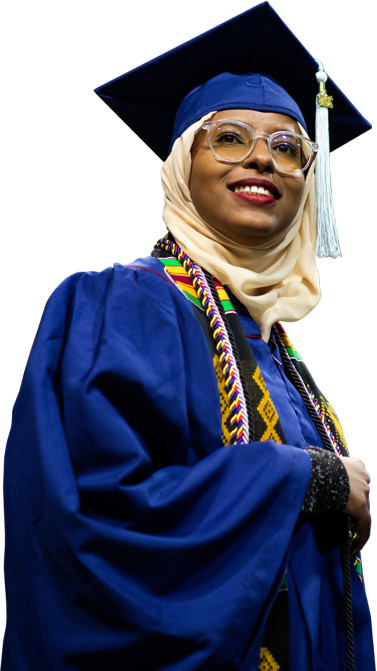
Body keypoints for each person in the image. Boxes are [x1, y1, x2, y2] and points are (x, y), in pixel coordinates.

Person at [1, 3, 373, 670]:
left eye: (289, 148)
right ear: (180, 165)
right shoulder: (125, 299)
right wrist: (311, 478)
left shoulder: (276, 347)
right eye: (229, 137)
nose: (262, 157)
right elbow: (93, 508)